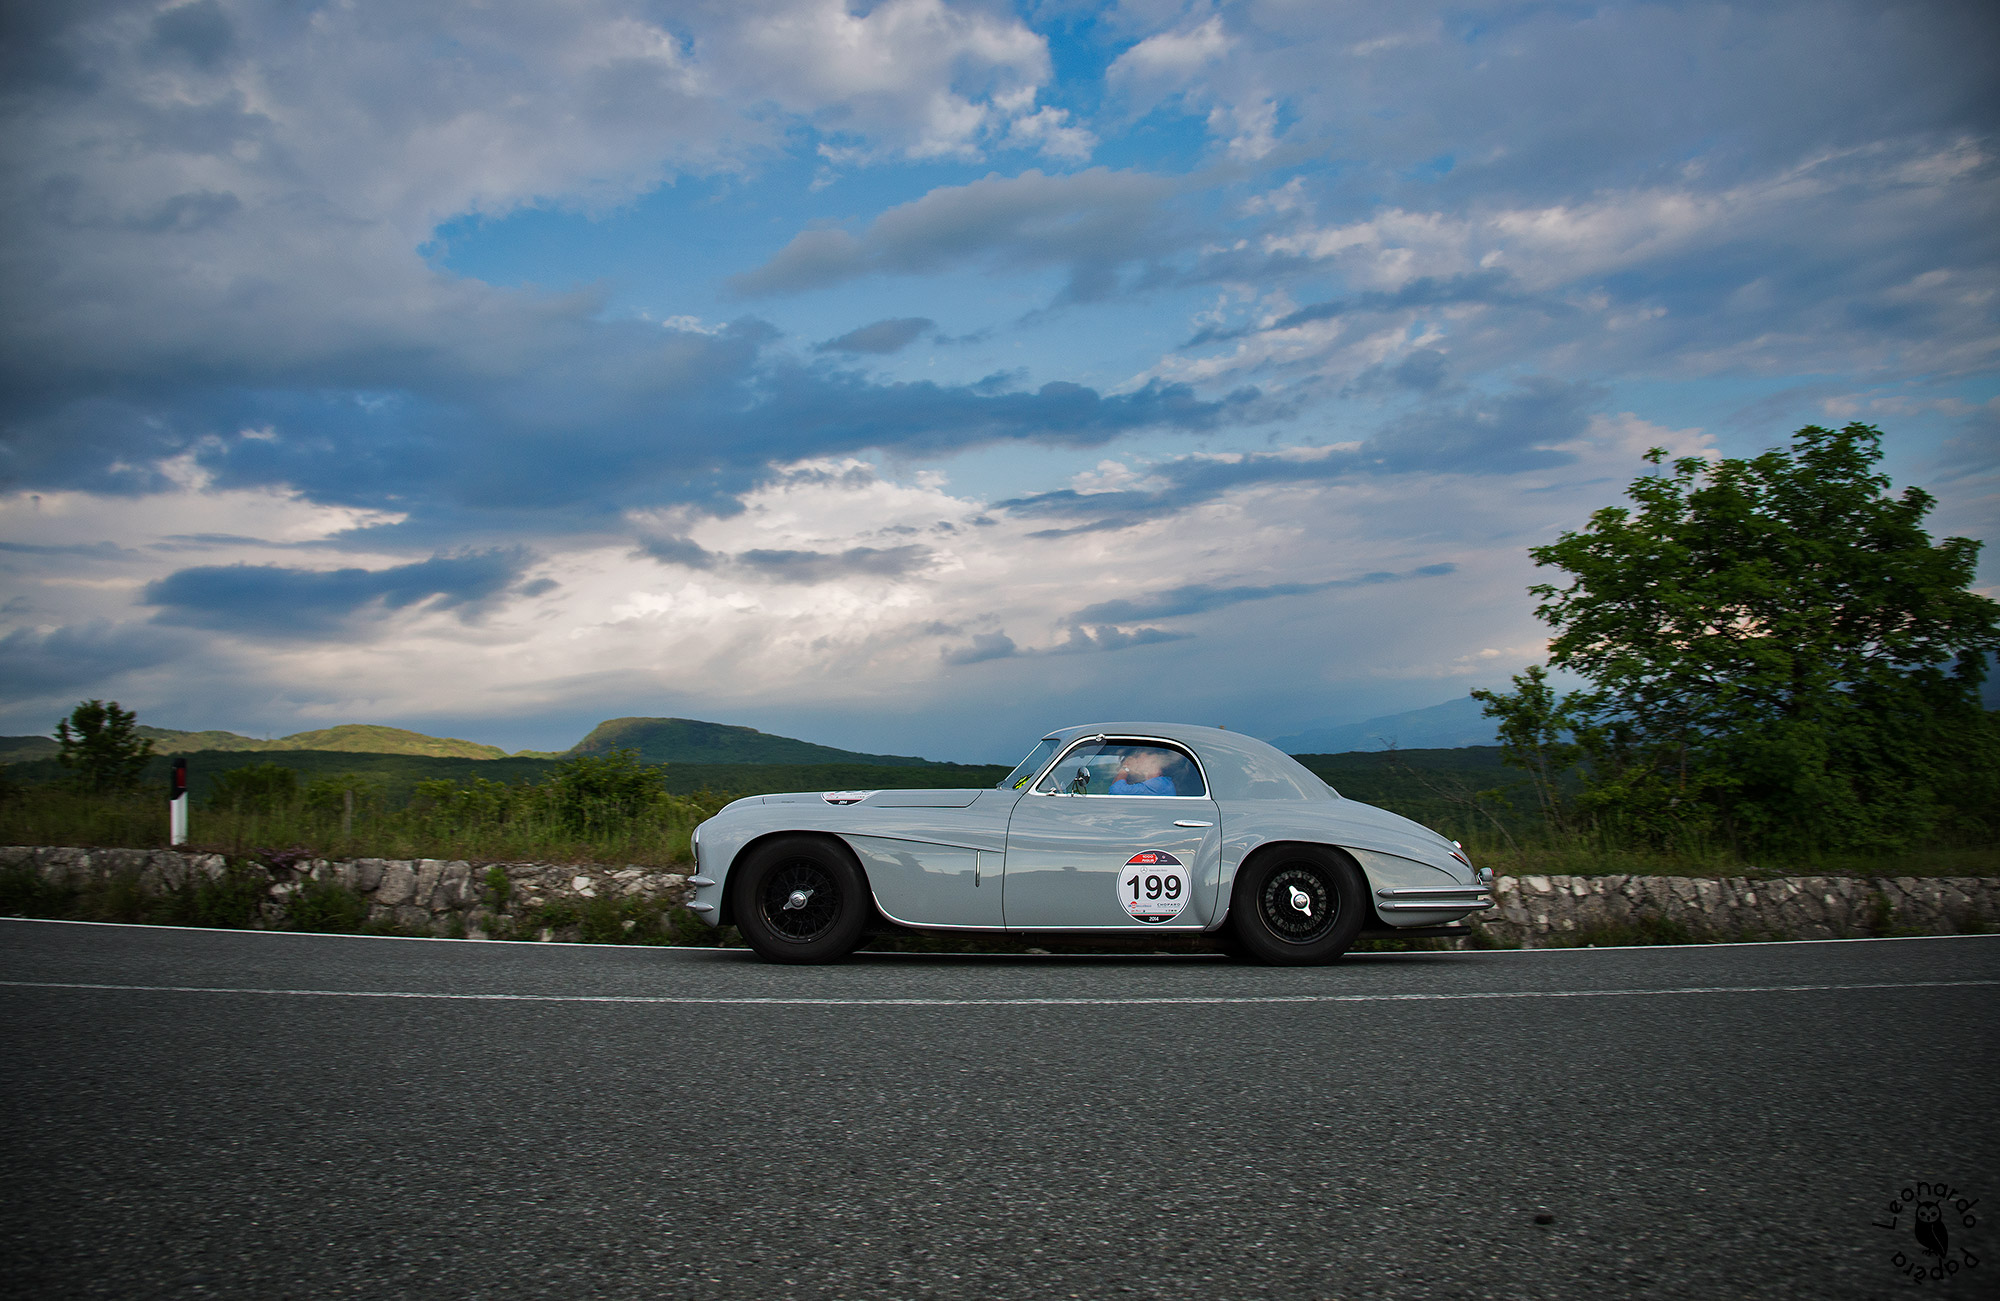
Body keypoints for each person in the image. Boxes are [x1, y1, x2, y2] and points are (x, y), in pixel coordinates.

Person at [1109, 748, 1177, 796]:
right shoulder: (1160, 783)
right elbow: (1112, 790)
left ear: (1153, 760)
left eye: (1137, 757)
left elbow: (1116, 792)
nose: (1135, 761)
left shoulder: (1159, 784)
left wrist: (1125, 768)